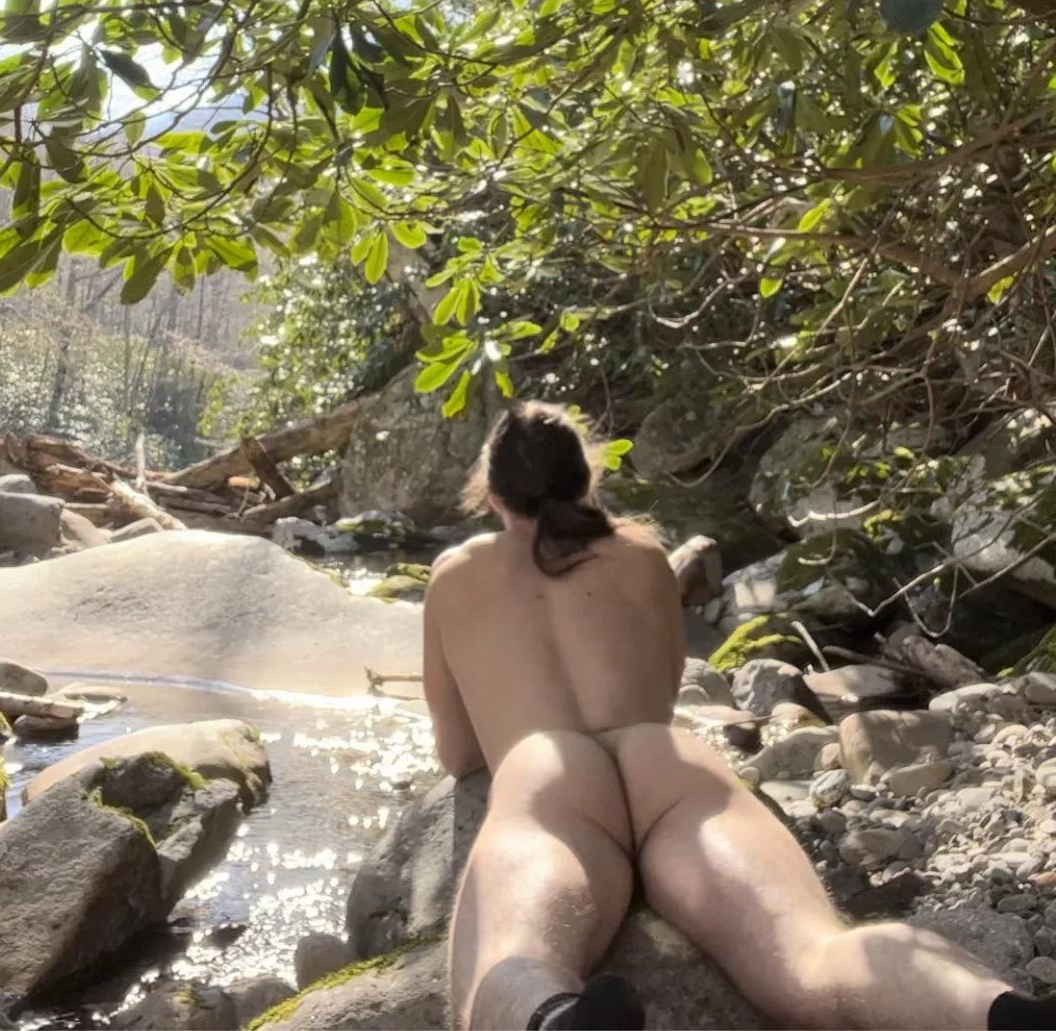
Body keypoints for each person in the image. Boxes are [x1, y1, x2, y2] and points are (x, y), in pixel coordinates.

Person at [422, 400, 1056, 1031]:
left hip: (548, 774)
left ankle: (556, 1018)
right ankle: (998, 1014)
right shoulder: (641, 554)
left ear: (495, 496)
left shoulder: (453, 575)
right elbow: (662, 691)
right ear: (584, 482)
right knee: (813, 954)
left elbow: (457, 752)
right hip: (664, 763)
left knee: (513, 961)